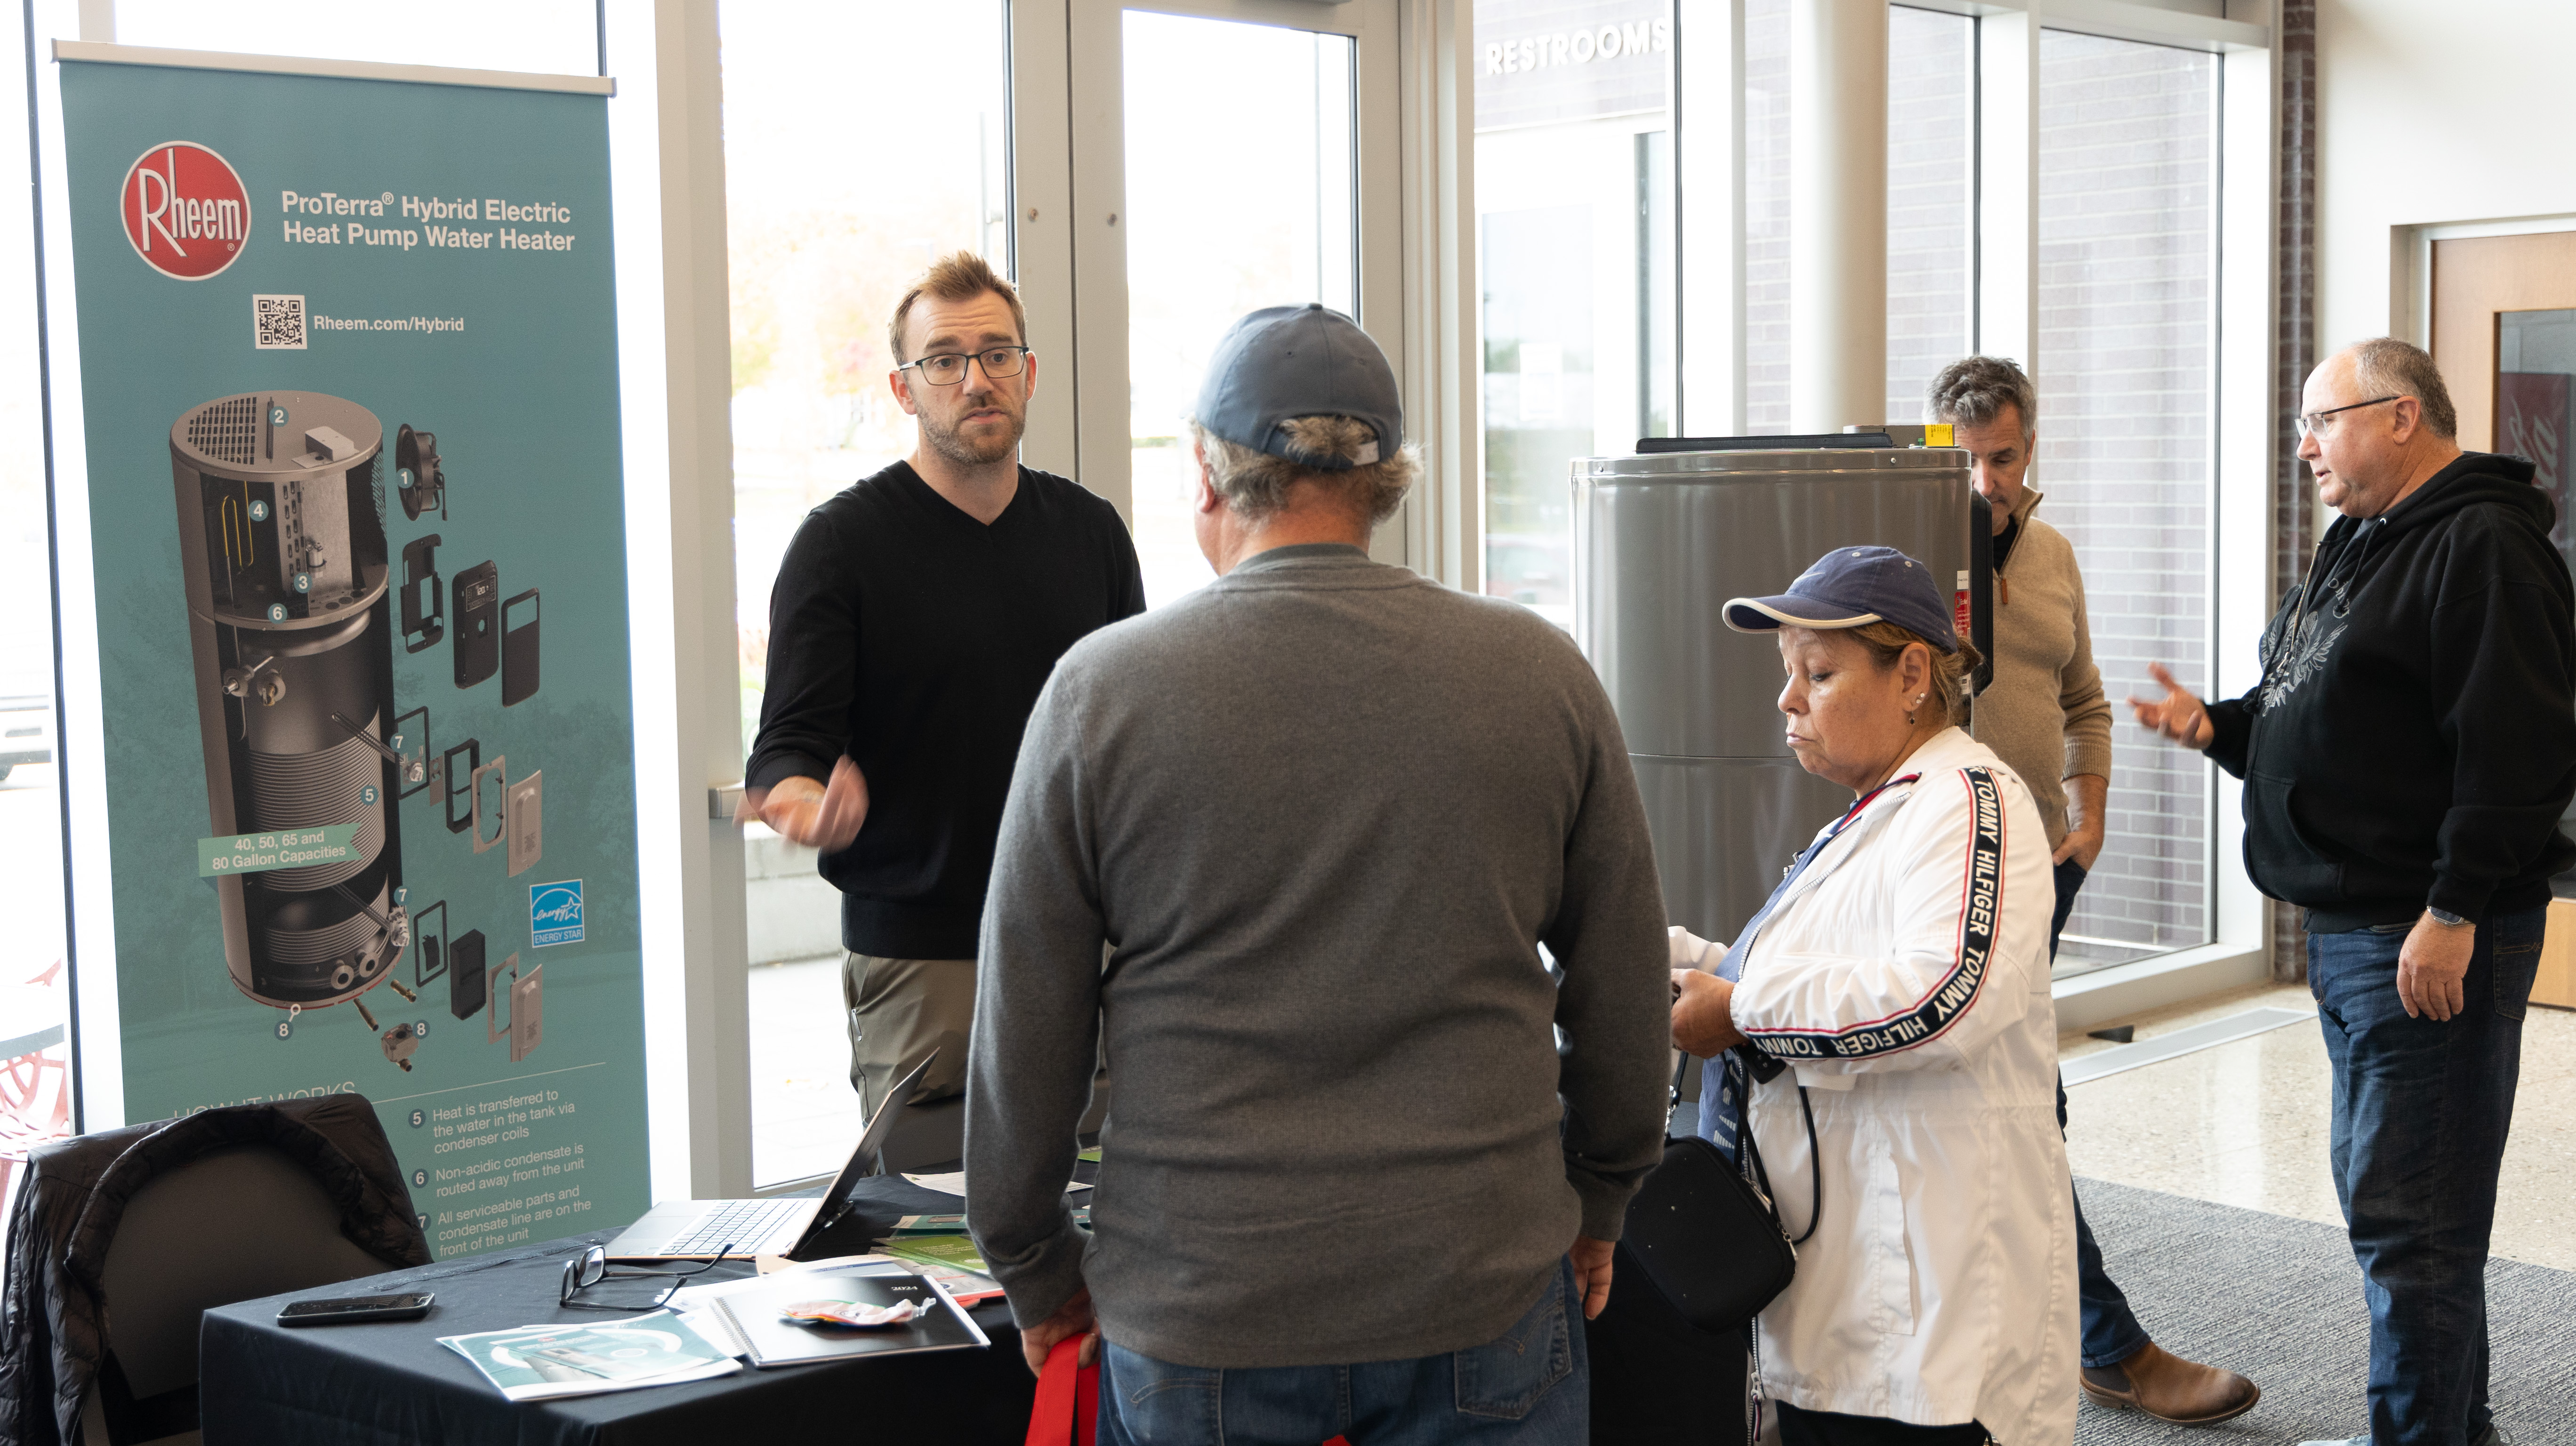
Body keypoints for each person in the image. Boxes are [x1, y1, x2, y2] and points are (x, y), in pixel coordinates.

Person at [966, 303, 1671, 1445]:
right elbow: (1625, 977)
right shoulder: (1539, 675)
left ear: (1207, 476)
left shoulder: (1102, 694)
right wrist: (1602, 1193)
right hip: (1480, 1276)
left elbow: (1027, 1023)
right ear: (1390, 477)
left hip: (1204, 1299)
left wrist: (1034, 1261)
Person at [2131, 337, 2571, 1446]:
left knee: (2412, 1225)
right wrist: (2221, 729)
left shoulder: (2484, 545)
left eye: (2321, 421)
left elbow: (2517, 754)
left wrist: (2456, 908)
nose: (2303, 446)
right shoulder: (2359, 541)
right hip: (2354, 931)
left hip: (2418, 933)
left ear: (2402, 417)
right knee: (2402, 1211)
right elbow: (2325, 709)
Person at [1666, 545, 2075, 1446]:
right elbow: (1780, 977)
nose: (1789, 699)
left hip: (1929, 1319)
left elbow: (1944, 994)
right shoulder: (1876, 813)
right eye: (1789, 674)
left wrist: (1735, 1011)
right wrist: (1661, 960)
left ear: (1914, 676)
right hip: (1848, 1296)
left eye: (1818, 672)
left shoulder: (1968, 802)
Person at [1927, 357, 2260, 1427]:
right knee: (2027, 1101)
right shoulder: (1905, 548)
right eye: (1964, 459)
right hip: (1944, 865)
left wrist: (2093, 810)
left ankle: (2058, 1335)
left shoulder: (2058, 553)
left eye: (2004, 458)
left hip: (2042, 863)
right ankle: (2105, 1343)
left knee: (2014, 1097)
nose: (1986, 481)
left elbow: (2084, 698)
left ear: (2033, 448)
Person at [740, 251, 1144, 1117]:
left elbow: (1133, 734)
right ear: (904, 389)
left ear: (1028, 372)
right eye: (944, 361)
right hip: (927, 964)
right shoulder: (840, 546)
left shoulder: (1092, 533)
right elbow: (788, 745)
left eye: (998, 355)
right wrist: (801, 801)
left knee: (1108, 1214)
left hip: (1088, 949)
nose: (976, 381)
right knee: (929, 1228)